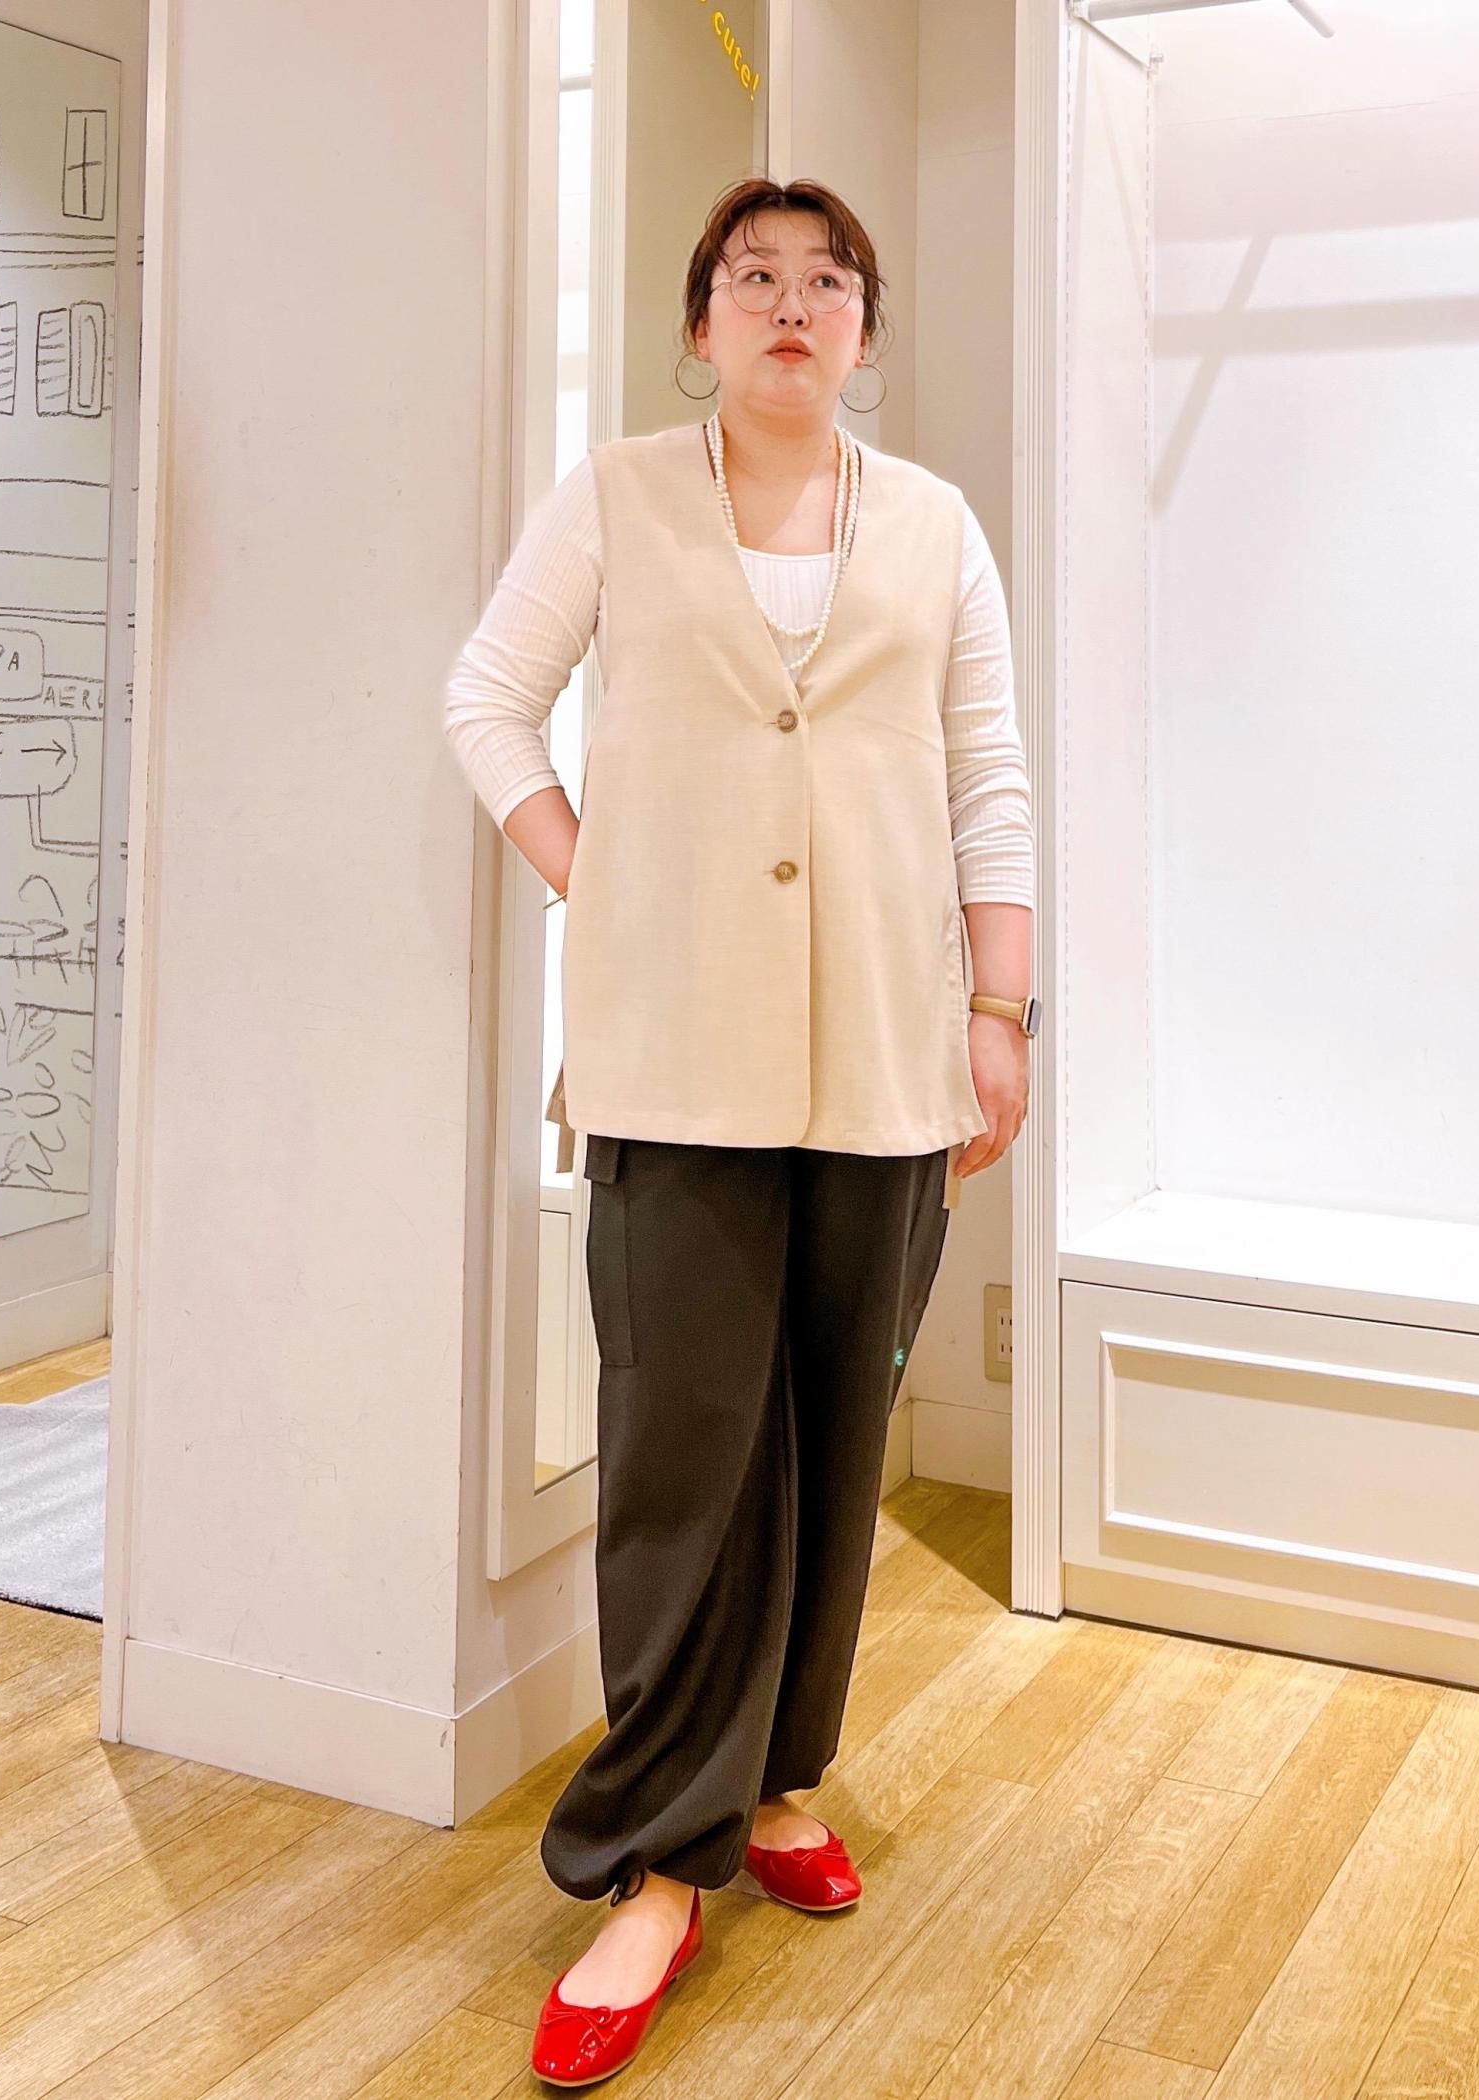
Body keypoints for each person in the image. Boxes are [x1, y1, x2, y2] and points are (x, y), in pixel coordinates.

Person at [444, 175, 1036, 2087]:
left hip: (888, 1051)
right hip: (670, 1053)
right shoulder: (617, 495)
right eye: (752, 277)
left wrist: (1002, 1013)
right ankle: (654, 1858)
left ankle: (781, 1780)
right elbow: (489, 702)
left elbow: (989, 776)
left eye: (827, 280)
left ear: (864, 329)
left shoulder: (934, 525)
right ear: (700, 323)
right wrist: (594, 875)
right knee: (683, 1453)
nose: (792, 304)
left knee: (839, 1434)